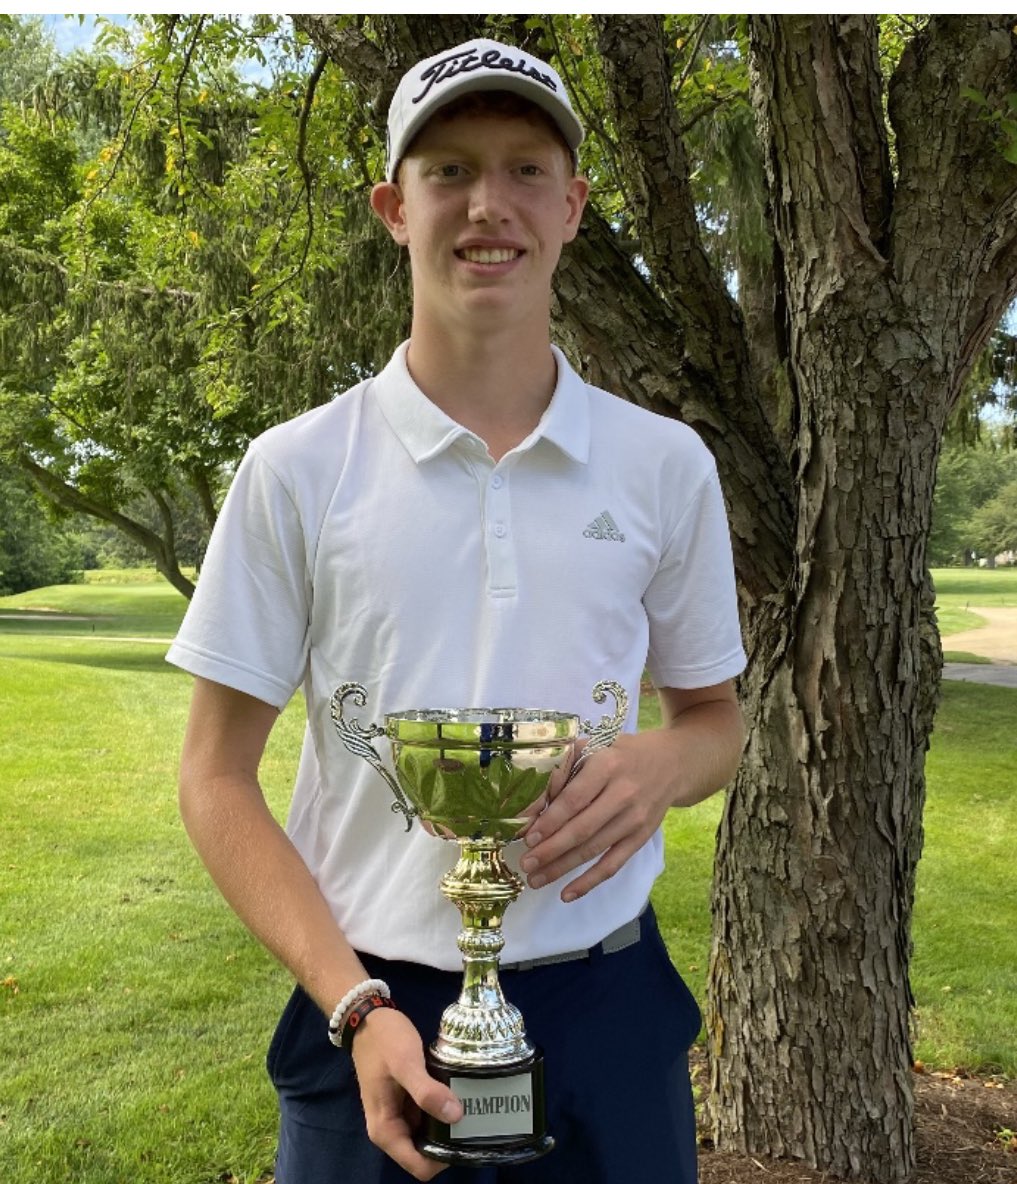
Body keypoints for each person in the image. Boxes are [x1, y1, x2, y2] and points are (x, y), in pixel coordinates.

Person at [168, 37, 746, 1184]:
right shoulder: (297, 468)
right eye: (449, 170)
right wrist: (353, 1002)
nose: (491, 204)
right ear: (394, 204)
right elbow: (214, 776)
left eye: (527, 168)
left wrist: (658, 767)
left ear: (574, 205)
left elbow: (713, 719)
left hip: (608, 1001)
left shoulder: (663, 464)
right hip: (370, 1010)